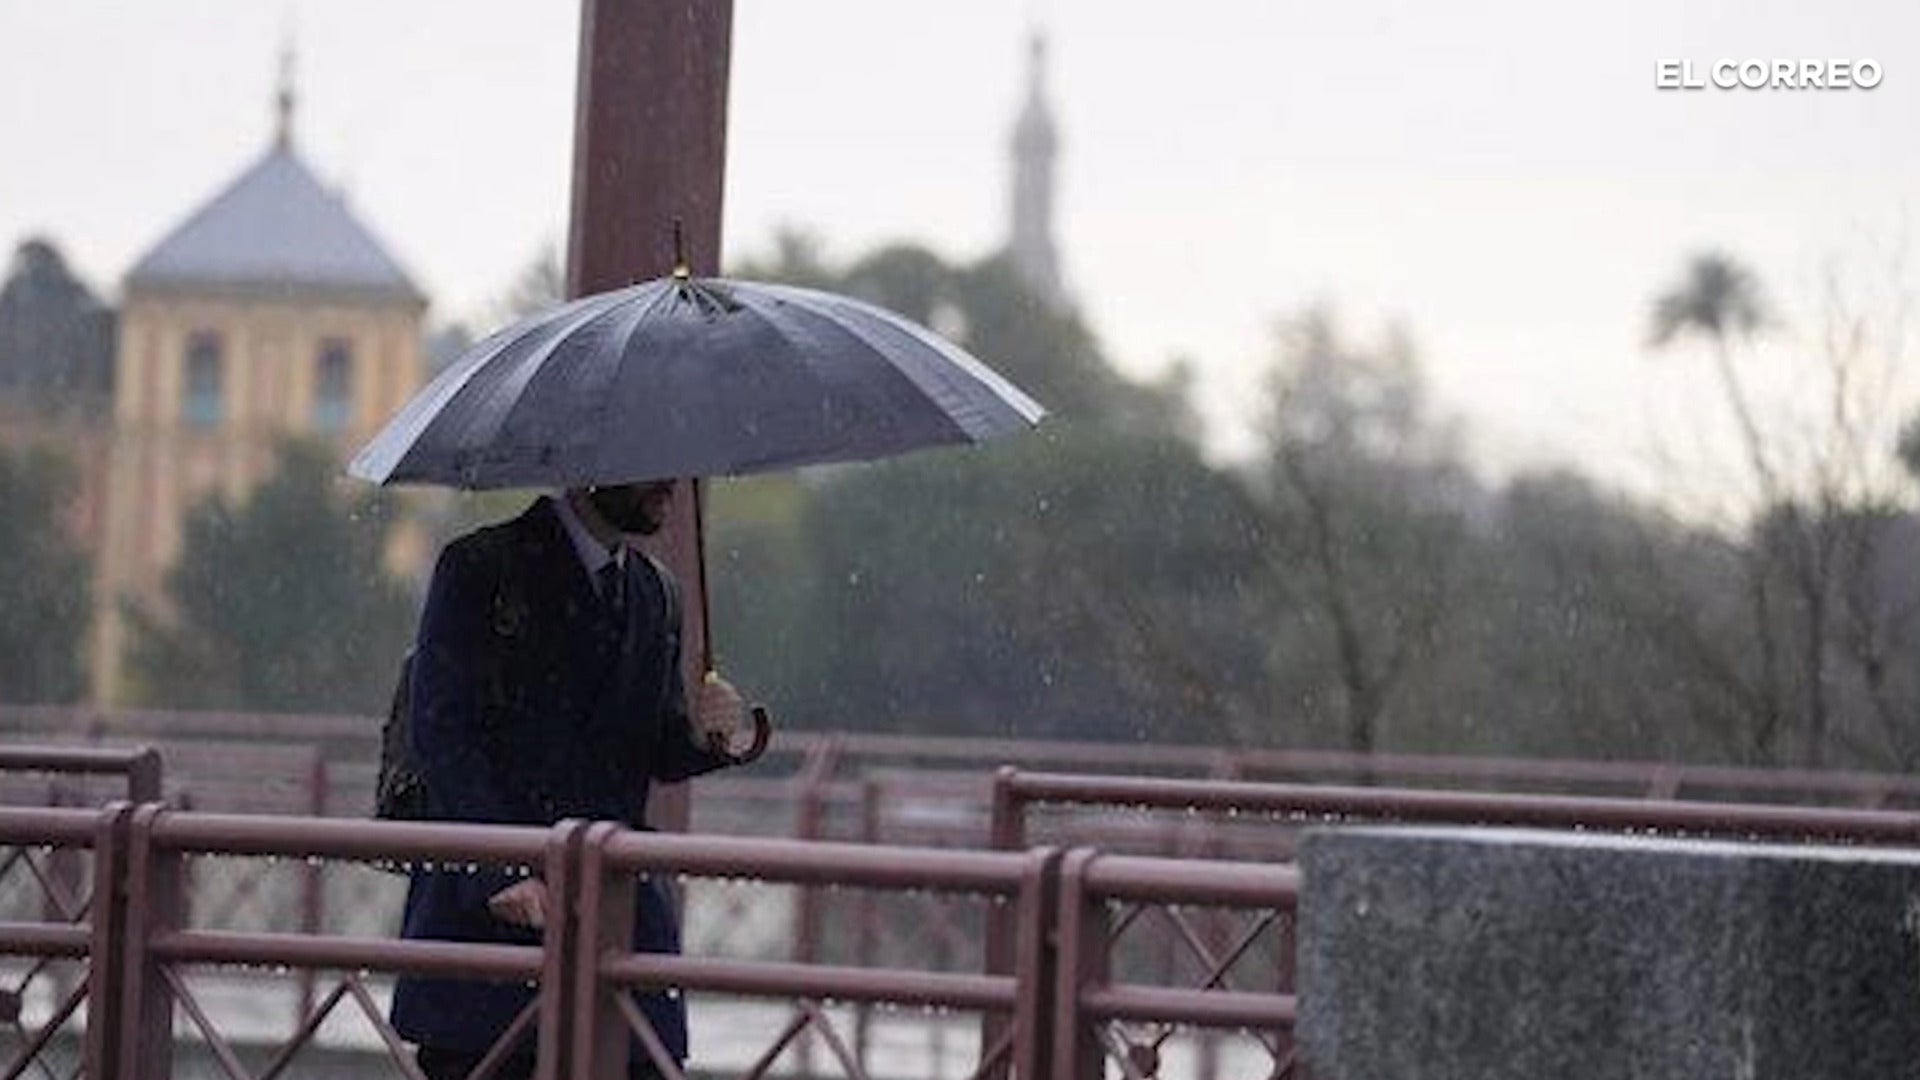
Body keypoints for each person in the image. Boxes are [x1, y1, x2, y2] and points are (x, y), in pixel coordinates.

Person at [390, 479, 746, 1080]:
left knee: (642, 1064)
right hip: (493, 928)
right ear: (590, 468)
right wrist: (501, 868)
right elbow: (442, 737)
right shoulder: (482, 568)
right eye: (646, 463)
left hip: (615, 922)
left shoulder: (654, 592)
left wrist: (709, 736)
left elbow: (650, 748)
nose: (668, 483)